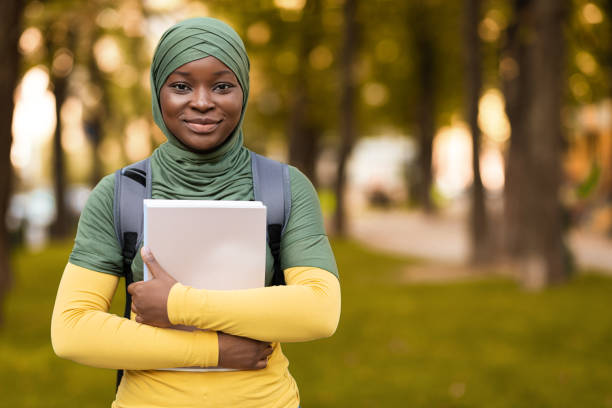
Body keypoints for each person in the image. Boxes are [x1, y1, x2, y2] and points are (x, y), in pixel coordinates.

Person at [51, 17, 340, 408]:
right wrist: (214, 352)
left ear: (244, 91)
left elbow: (320, 311)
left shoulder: (285, 188)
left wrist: (177, 304)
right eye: (181, 86)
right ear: (158, 93)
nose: (202, 102)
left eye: (222, 86)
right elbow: (71, 330)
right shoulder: (119, 195)